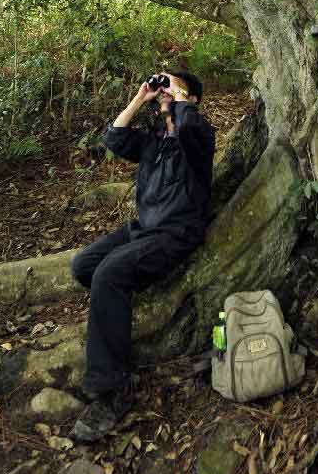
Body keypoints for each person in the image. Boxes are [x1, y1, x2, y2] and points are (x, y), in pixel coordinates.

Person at [70, 70, 215, 442]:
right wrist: (140, 98)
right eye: (163, 86)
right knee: (83, 266)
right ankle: (114, 310)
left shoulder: (197, 138)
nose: (164, 92)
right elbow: (114, 138)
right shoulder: (154, 143)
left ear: (191, 100)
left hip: (176, 232)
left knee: (108, 275)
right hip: (144, 229)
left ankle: (112, 389)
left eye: (171, 88)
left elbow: (189, 129)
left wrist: (180, 96)